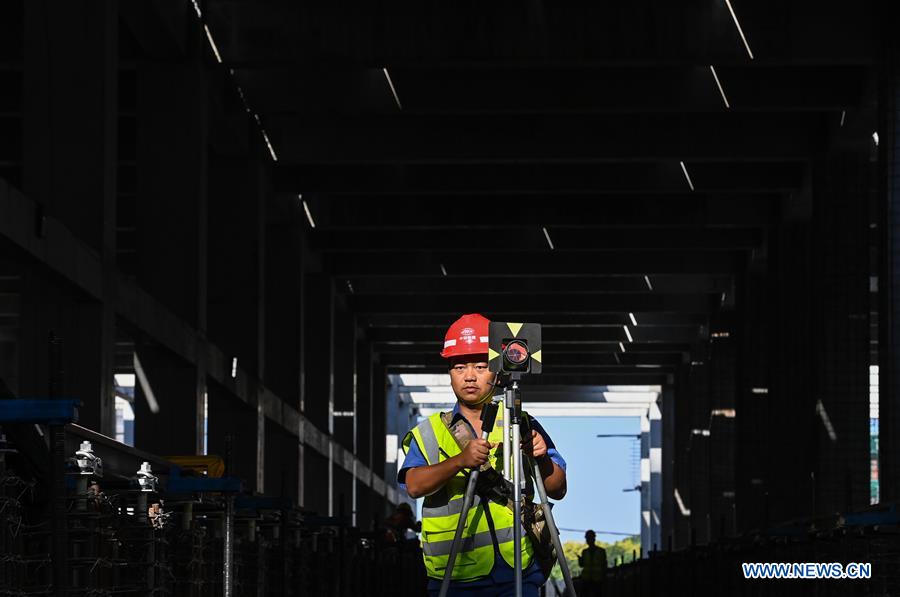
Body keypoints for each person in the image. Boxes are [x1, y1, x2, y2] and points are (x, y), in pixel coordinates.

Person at [398, 313, 568, 596]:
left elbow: (558, 489)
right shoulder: (428, 433)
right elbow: (413, 486)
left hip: (518, 571)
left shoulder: (523, 423)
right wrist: (459, 462)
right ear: (449, 373)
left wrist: (541, 457)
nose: (469, 376)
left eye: (480, 365)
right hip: (455, 578)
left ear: (497, 370)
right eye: (459, 366)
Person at [576, 530, 607, 597]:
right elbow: (581, 565)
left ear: (593, 538)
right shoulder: (585, 552)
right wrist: (580, 559)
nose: (587, 540)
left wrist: (604, 578)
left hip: (597, 580)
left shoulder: (601, 551)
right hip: (586, 580)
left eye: (589, 538)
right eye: (587, 538)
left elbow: (604, 565)